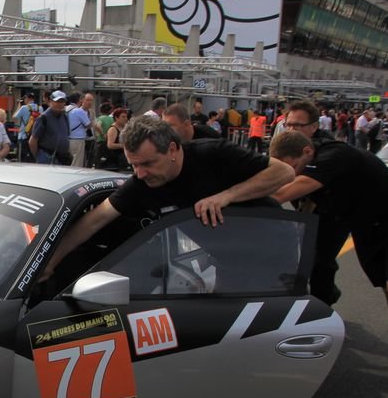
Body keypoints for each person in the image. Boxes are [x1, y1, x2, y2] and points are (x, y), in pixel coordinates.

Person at [270, 129, 388, 379]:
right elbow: (306, 209)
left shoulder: (336, 155)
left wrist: (231, 201)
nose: (291, 173)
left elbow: (283, 193)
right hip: (364, 225)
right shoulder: (304, 160)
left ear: (306, 152)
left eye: (293, 167)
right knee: (386, 287)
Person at [43, 115, 294, 279]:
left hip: (274, 249)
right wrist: (51, 262)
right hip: (228, 262)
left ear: (172, 150)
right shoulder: (141, 183)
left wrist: (226, 196)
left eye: (148, 163)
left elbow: (284, 172)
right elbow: (94, 220)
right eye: (133, 165)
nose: (140, 173)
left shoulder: (214, 154)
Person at [277, 100, 349, 306]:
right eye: (288, 124)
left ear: (314, 127)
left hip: (334, 215)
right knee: (301, 259)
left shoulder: (327, 151)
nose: (291, 129)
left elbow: (298, 185)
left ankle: (323, 304)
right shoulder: (286, 145)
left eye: (297, 125)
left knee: (320, 262)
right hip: (306, 212)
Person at [28, 90, 69, 164]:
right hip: (46, 157)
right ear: (51, 102)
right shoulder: (43, 118)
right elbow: (32, 141)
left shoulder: (64, 117)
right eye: (57, 101)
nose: (60, 104)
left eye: (62, 102)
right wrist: (38, 156)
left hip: (61, 158)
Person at [66, 92, 92, 167]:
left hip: (67, 138)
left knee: (69, 162)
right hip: (78, 140)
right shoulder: (79, 111)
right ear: (80, 100)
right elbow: (88, 125)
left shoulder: (66, 109)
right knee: (77, 162)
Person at [13, 93, 40, 160]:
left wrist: (19, 106)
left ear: (27, 98)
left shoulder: (24, 108)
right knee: (33, 158)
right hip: (35, 136)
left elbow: (14, 117)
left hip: (23, 135)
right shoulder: (40, 108)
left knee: (22, 158)